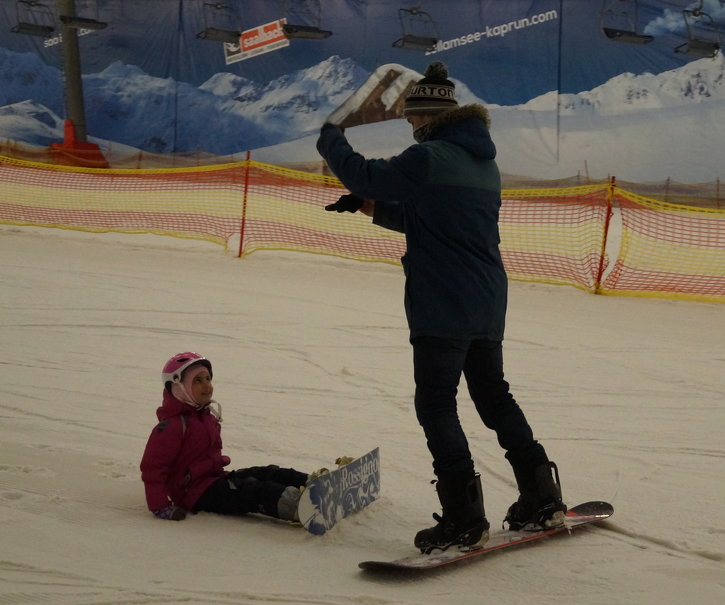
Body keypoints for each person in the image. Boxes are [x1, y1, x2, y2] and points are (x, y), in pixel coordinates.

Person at [315, 61, 566, 555]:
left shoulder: (428, 156)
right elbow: (438, 222)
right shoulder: (481, 162)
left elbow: (364, 172)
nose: (410, 127)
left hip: (442, 303)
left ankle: (463, 517)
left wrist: (330, 138)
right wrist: (368, 207)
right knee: (493, 397)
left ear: (427, 118)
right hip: (486, 302)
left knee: (435, 403)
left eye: (411, 120)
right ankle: (541, 493)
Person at [141, 352, 311, 524]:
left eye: (208, 379)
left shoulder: (205, 416)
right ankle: (301, 507)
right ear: (179, 388)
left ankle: (314, 482)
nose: (206, 385)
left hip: (216, 478)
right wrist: (160, 506)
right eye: (198, 381)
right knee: (254, 492)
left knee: (268, 473)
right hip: (194, 494)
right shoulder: (171, 427)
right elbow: (153, 469)